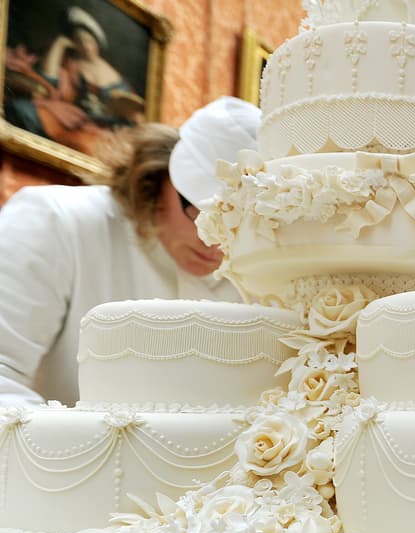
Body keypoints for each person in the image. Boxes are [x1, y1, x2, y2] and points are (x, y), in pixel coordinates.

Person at [0, 96, 260, 407]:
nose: (216, 242)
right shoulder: (55, 221)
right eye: (201, 214)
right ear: (160, 175)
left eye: (239, 226)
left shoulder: (258, 275)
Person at [4, 6, 145, 154]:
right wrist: (60, 44)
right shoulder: (71, 64)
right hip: (74, 117)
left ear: (97, 41)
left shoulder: (114, 75)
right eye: (80, 41)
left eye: (89, 41)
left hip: (102, 126)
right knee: (23, 110)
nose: (85, 46)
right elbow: (49, 81)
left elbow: (131, 112)